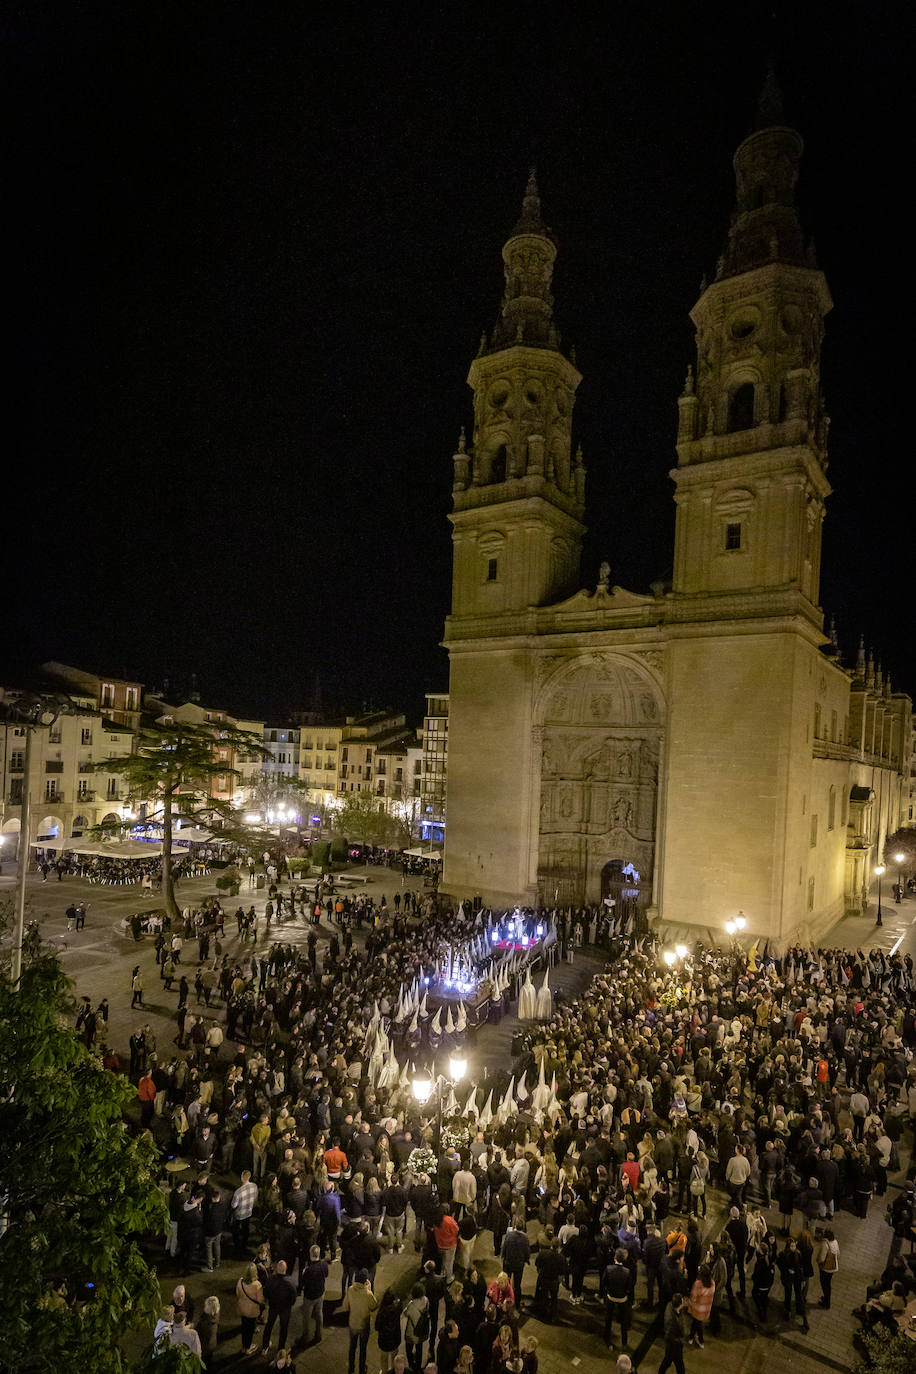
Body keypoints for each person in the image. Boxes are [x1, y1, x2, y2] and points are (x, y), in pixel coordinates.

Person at [340, 1268, 379, 1374]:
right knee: (363, 1348)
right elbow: (374, 1306)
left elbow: (345, 1306)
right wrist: (369, 1289)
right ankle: (362, 1369)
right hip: (363, 1325)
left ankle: (351, 1368)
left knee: (352, 1347)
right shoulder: (368, 1294)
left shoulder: (350, 1289)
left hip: (353, 1324)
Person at [262, 1258, 297, 1354]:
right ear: (285, 1269)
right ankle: (281, 1349)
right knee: (284, 1328)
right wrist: (289, 1304)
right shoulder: (290, 1282)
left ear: (277, 1269)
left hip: (273, 1306)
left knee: (269, 1325)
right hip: (285, 1309)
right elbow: (294, 1297)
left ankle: (265, 1346)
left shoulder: (271, 1279)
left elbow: (265, 1293)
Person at [299, 1243, 329, 1346]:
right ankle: (318, 1335)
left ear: (311, 1254)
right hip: (320, 1294)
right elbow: (326, 1275)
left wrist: (303, 1273)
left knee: (306, 1317)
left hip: (309, 1296)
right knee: (319, 1314)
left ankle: (305, 1337)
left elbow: (303, 1283)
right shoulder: (324, 1265)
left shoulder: (308, 1270)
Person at [236, 1262, 265, 1356]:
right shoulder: (257, 1285)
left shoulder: (240, 1281)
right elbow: (260, 1300)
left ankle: (244, 1346)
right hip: (252, 1311)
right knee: (250, 1329)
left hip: (242, 1308)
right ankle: (248, 1347)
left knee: (244, 1328)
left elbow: (237, 1294)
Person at [376, 1288, 405, 1371]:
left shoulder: (381, 1313)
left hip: (383, 1342)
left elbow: (377, 1327)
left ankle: (384, 1371)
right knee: (394, 1358)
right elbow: (401, 1306)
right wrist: (399, 1302)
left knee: (384, 1359)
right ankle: (392, 1371)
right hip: (395, 1340)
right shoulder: (396, 1310)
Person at [657, 1292, 686, 1374]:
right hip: (674, 1345)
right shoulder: (672, 1321)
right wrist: (679, 1341)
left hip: (673, 1345)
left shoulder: (671, 1306)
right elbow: (669, 1334)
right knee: (678, 1364)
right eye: (682, 1301)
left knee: (668, 1361)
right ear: (679, 1305)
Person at [686, 1263, 714, 1348]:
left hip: (697, 1308)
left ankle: (700, 1340)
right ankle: (691, 1337)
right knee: (696, 1322)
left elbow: (693, 1298)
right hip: (706, 1308)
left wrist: (688, 1302)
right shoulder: (712, 1283)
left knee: (697, 1324)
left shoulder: (698, 1284)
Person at [814, 1228, 839, 1309]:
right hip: (833, 1267)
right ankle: (826, 1298)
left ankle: (826, 1302)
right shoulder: (835, 1241)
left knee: (824, 1285)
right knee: (828, 1284)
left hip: (826, 1269)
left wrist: (818, 1261)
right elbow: (838, 1253)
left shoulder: (825, 1244)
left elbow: (822, 1259)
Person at [196, 1295, 220, 1364]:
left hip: (204, 1346)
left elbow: (198, 1332)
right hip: (212, 1343)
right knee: (208, 1360)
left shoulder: (205, 1321)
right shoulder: (216, 1315)